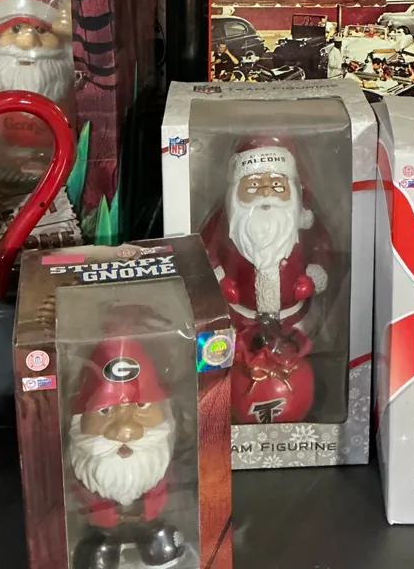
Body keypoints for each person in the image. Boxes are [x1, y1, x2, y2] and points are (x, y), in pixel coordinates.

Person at [69, 338, 184, 569]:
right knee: (97, 547)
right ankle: (102, 542)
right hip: (100, 525)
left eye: (140, 407)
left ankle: (152, 538)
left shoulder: (158, 460)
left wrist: (148, 508)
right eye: (105, 411)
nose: (124, 431)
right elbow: (80, 494)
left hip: (150, 518)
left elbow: (166, 485)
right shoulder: (86, 465)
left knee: (159, 537)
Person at [202, 140, 331, 333]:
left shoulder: (304, 221)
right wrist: (219, 280)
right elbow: (204, 252)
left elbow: (323, 248)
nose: (265, 192)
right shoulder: (224, 222)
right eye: (253, 185)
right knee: (236, 346)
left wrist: (313, 277)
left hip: (292, 316)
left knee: (297, 346)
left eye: (276, 184)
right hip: (240, 315)